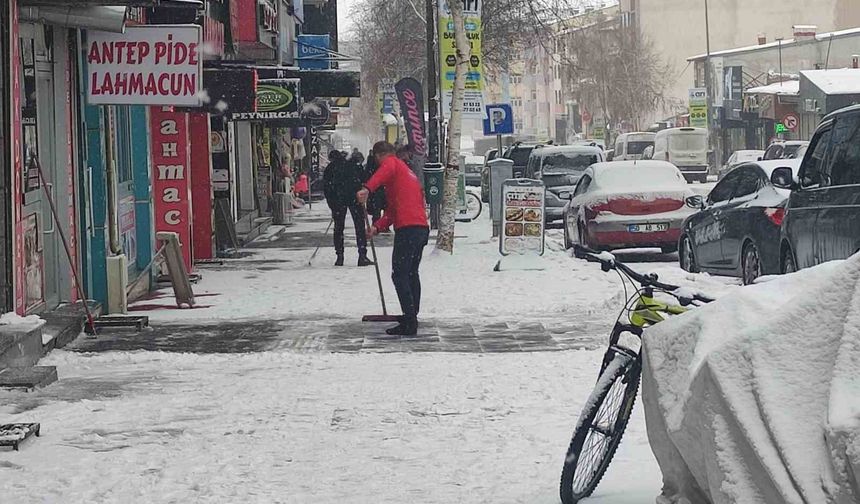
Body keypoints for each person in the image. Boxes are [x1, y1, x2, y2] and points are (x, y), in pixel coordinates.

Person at [357, 141, 429, 336]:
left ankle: (410, 321)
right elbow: (392, 211)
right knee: (411, 273)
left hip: (408, 229)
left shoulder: (392, 163)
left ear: (380, 155)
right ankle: (412, 315)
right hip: (420, 228)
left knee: (400, 274)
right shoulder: (406, 173)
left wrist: (367, 188)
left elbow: (383, 172)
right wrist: (376, 227)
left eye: (376, 159)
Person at [323, 150, 374, 267]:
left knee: (339, 228)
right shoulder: (353, 166)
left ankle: (339, 256)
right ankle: (362, 255)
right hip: (354, 198)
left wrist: (332, 205)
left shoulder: (331, 168)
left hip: (338, 200)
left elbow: (327, 188)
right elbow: (364, 180)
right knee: (359, 226)